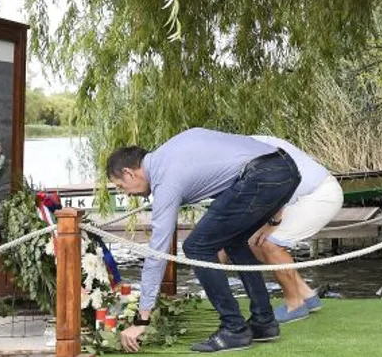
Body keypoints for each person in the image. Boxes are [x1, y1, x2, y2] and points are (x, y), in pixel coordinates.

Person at [108, 129, 299, 353]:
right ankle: (264, 321)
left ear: (129, 173)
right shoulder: (173, 148)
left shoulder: (165, 181)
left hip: (261, 176)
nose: (126, 194)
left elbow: (157, 252)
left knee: (196, 247)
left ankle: (234, 329)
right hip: (286, 168)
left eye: (120, 186)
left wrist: (143, 318)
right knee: (234, 239)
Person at [246, 135, 343, 322]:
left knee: (269, 244)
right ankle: (307, 296)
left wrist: (273, 222)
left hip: (318, 194)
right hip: (302, 196)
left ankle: (294, 305)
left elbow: (278, 186)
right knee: (254, 242)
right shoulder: (245, 146)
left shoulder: (252, 150)